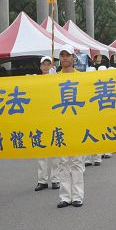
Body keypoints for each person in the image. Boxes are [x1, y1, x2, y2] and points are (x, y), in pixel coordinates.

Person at [56, 45, 86, 208]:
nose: (65, 58)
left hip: (77, 123)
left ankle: (77, 196)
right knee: (63, 162)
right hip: (61, 123)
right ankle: (65, 196)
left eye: (68, 55)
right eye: (62, 55)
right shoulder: (54, 77)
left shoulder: (82, 77)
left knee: (76, 161)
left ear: (74, 58)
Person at [35, 56, 60, 191]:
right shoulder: (35, 81)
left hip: (53, 118)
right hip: (40, 119)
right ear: (40, 67)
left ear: (52, 66)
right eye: (43, 65)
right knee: (41, 151)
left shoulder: (56, 79)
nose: (46, 67)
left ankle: (56, 179)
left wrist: (54, 79)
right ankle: (42, 180)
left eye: (48, 64)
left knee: (55, 151)